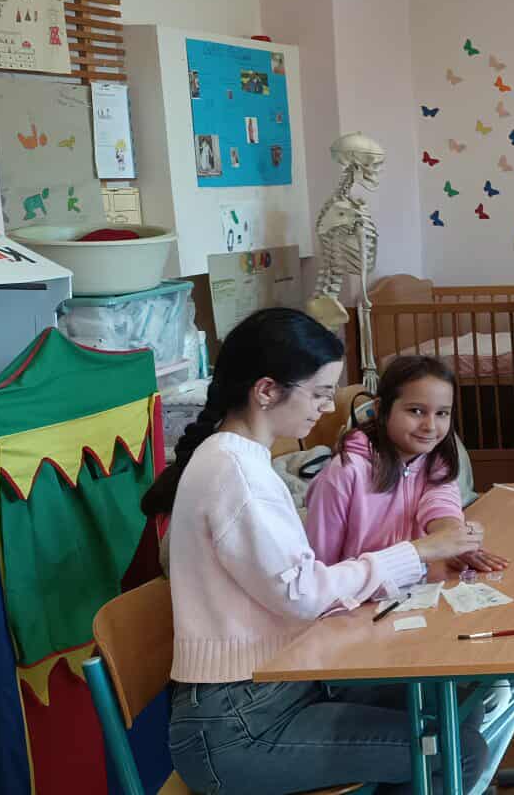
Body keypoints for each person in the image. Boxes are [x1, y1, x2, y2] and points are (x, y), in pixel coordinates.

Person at [143, 308, 486, 794]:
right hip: (239, 725)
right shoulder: (235, 473)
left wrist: (425, 548)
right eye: (320, 393)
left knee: (452, 698)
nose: (327, 408)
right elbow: (303, 594)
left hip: (275, 687)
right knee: (458, 748)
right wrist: (415, 551)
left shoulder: (241, 460)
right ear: (266, 391)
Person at [302, 355, 507, 571]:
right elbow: (319, 568)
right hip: (355, 588)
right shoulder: (344, 472)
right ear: (381, 409)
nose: (430, 426)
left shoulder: (436, 462)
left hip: (414, 585)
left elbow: (441, 504)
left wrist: (456, 537)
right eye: (416, 411)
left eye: (442, 413)